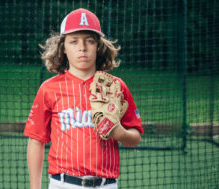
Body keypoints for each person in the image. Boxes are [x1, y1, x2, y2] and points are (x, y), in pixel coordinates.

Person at [24, 8, 143, 189]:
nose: (82, 47)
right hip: (63, 184)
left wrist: (121, 133)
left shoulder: (115, 87)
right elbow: (36, 140)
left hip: (106, 185)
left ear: (98, 46)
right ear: (63, 47)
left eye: (89, 41)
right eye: (74, 41)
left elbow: (135, 137)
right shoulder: (49, 89)